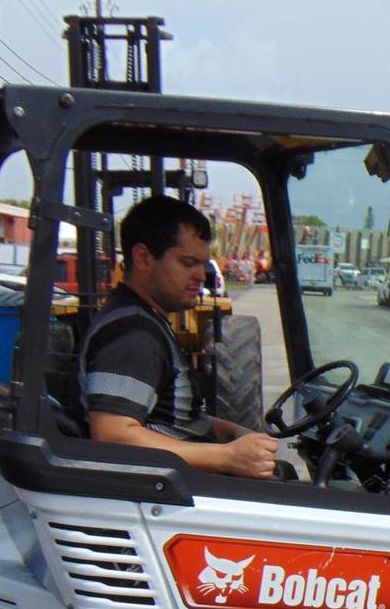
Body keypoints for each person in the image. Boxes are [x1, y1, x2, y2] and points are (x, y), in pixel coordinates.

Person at [80, 195, 278, 479]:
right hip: (169, 498)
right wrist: (226, 457)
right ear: (143, 258)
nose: (201, 276)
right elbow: (112, 435)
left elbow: (172, 417)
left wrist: (231, 432)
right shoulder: (132, 337)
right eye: (188, 263)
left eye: (203, 264)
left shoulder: (149, 322)